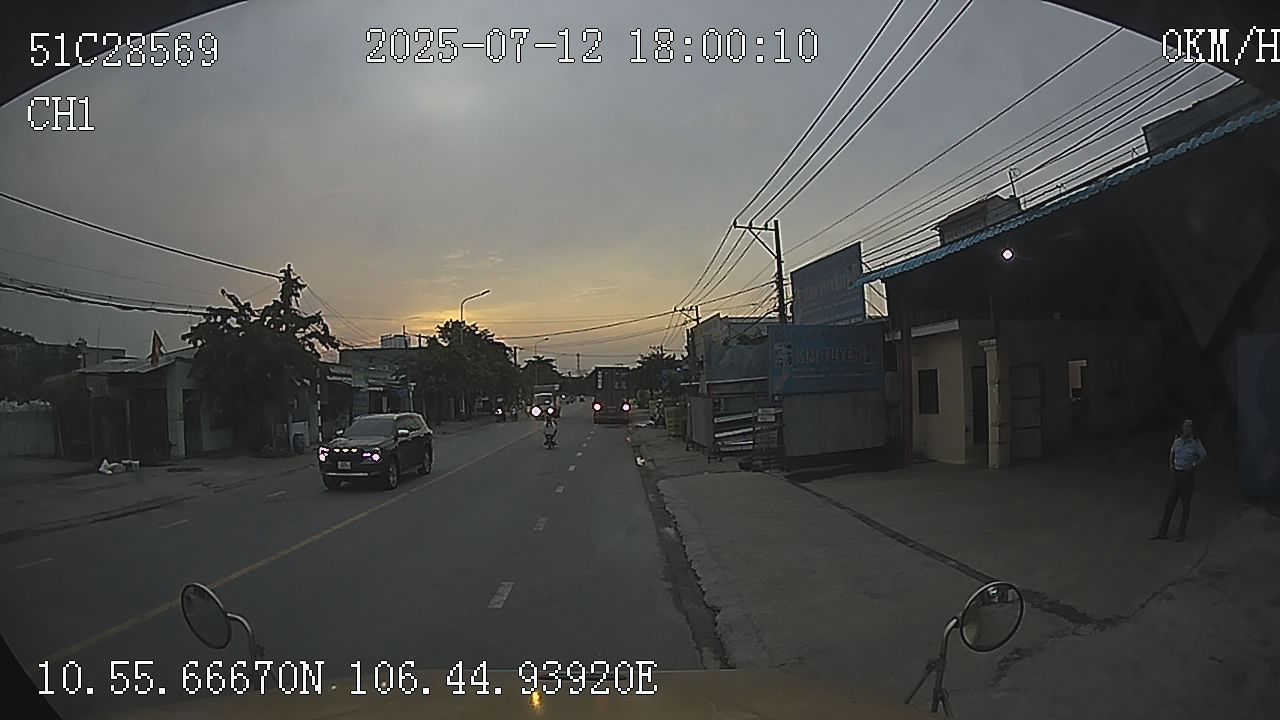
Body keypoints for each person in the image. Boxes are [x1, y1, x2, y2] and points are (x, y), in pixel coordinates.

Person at [1152, 418, 1207, 542]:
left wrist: (1193, 465)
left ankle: (1181, 533)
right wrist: (1171, 464)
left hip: (1188, 476)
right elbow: (1171, 451)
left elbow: (1204, 456)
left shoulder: (1195, 443)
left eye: (1191, 426)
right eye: (1187, 426)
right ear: (1182, 427)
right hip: (1177, 474)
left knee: (1185, 505)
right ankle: (1162, 532)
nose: (1189, 428)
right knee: (1169, 503)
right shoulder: (1177, 441)